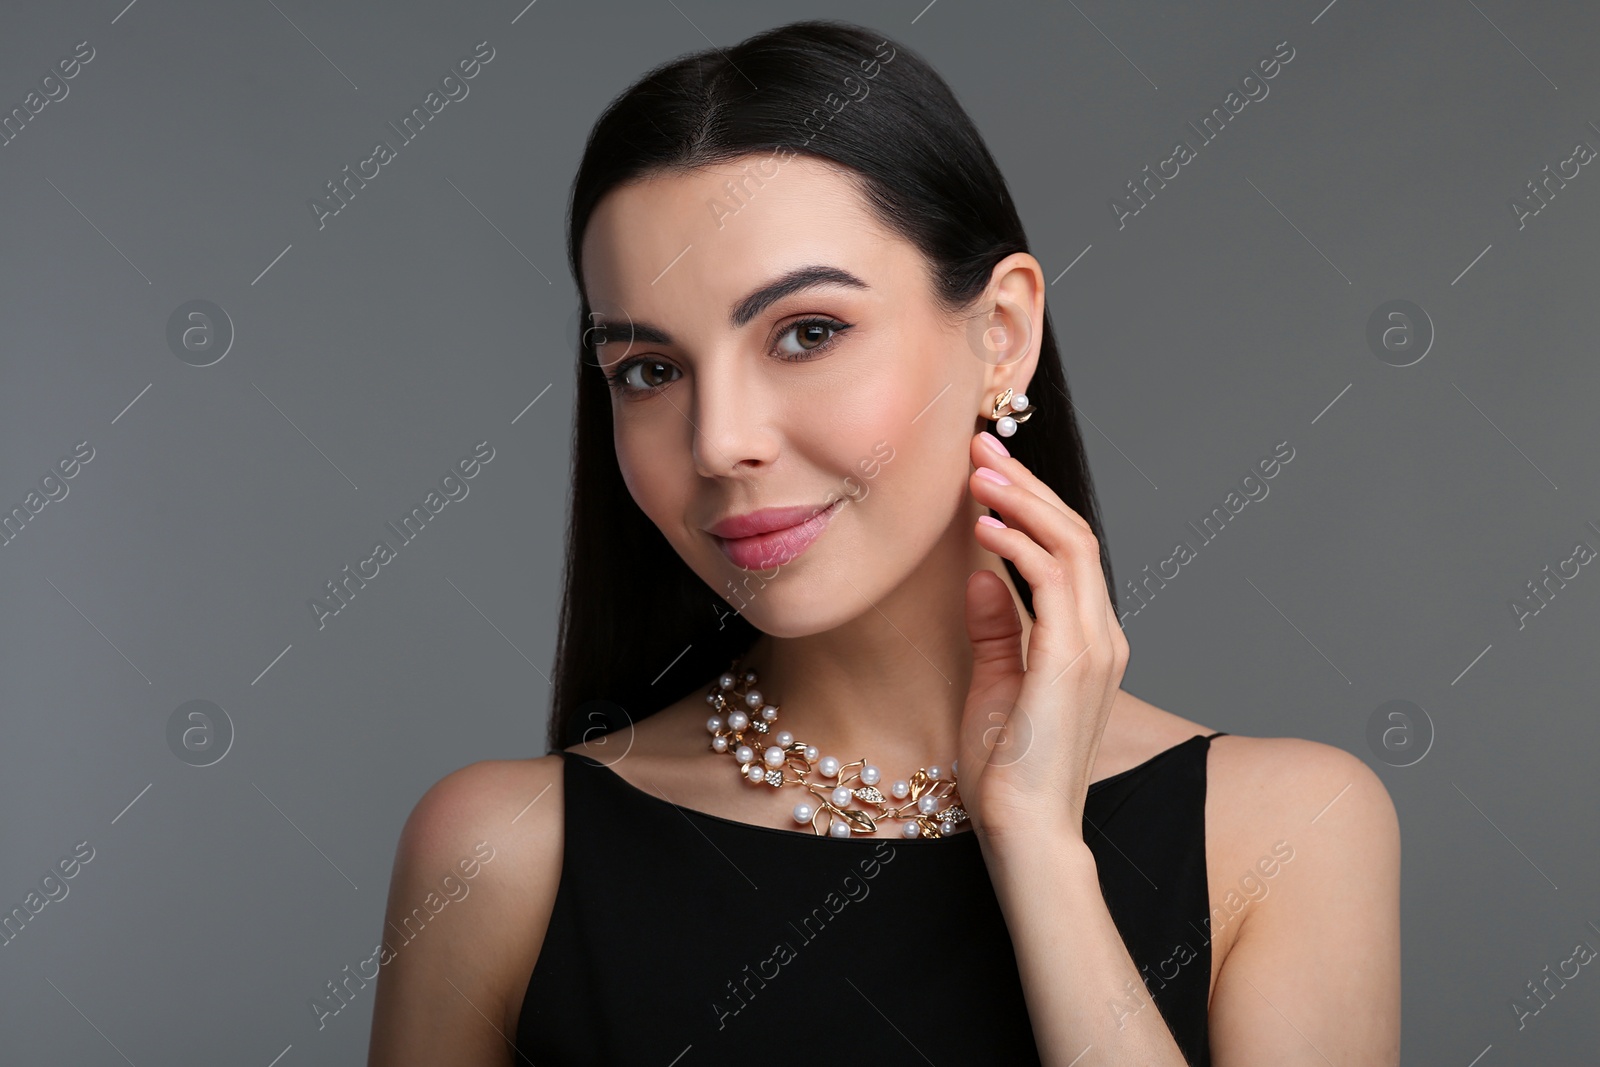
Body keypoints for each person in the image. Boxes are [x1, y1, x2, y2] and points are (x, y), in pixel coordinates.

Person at [367, 19, 1400, 1066]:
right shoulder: (499, 856)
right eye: (648, 368)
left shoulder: (1284, 831)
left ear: (1001, 334)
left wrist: (1039, 847)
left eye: (806, 332)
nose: (721, 440)